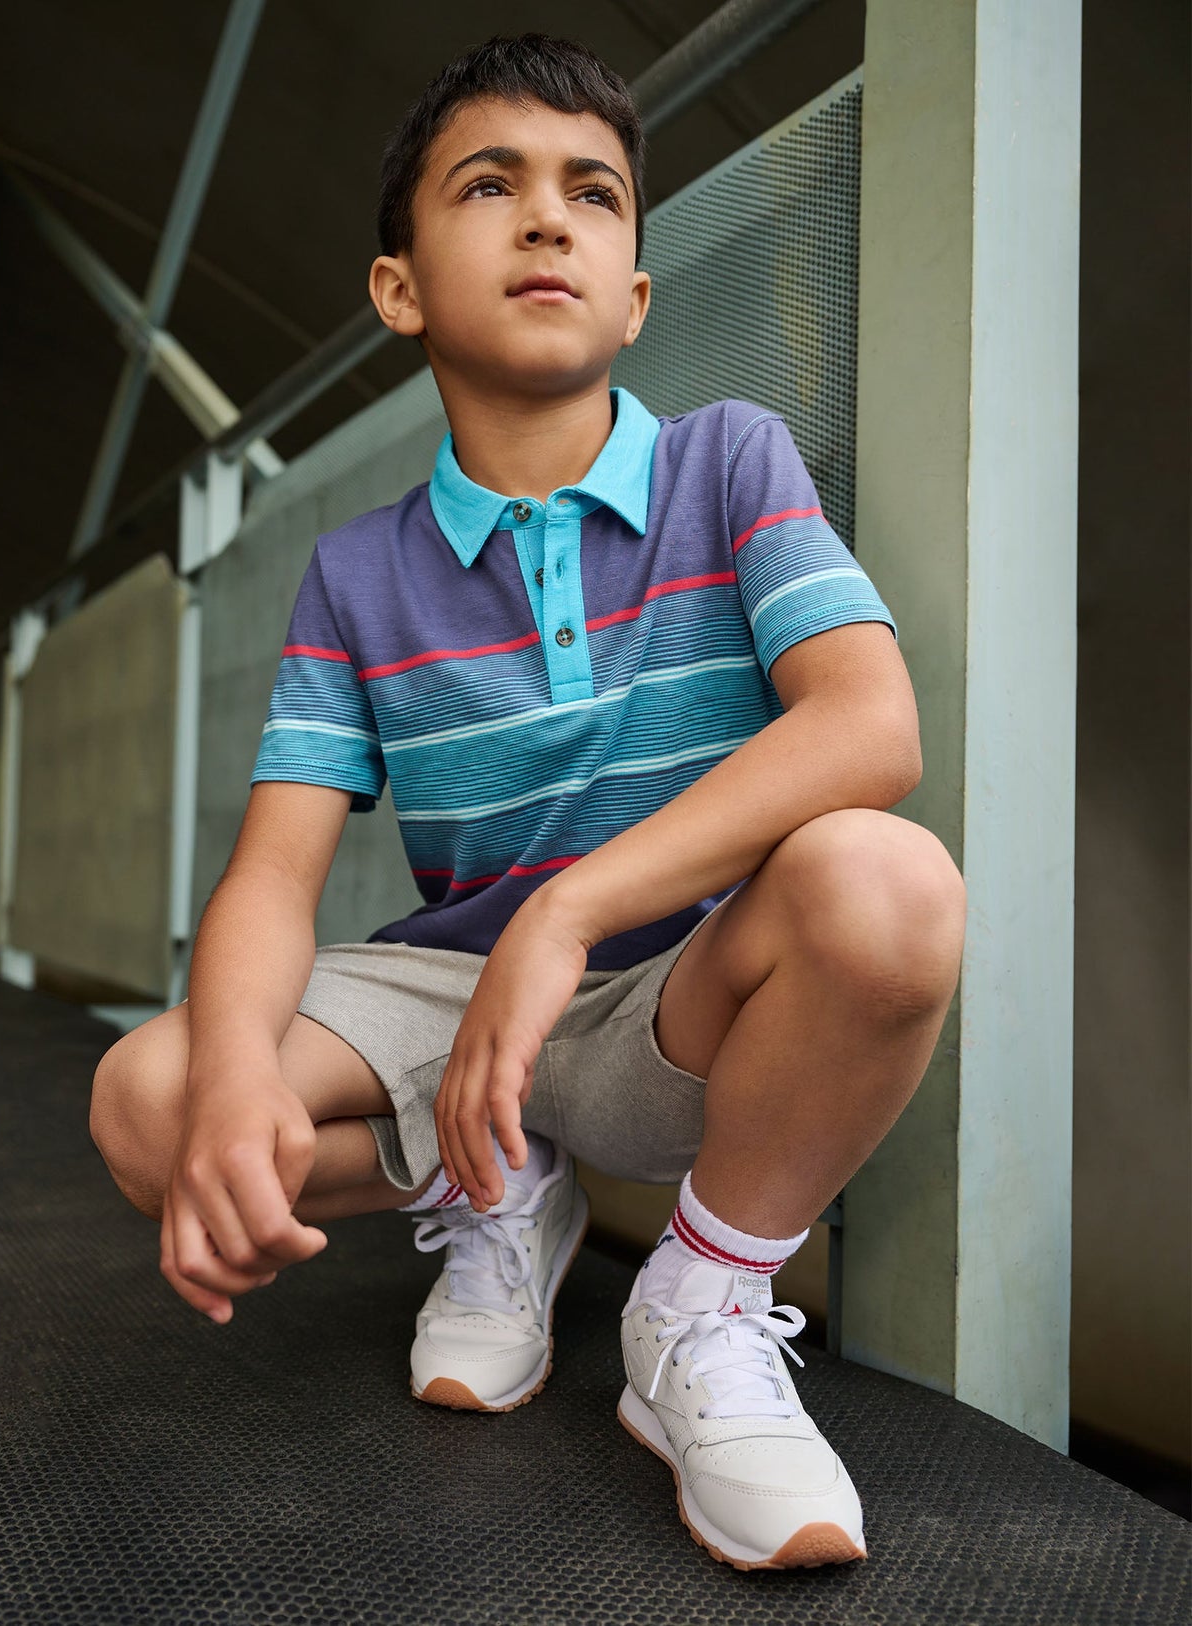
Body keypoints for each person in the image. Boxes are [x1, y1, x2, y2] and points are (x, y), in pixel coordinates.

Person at [89, 32, 966, 1573]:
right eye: (489, 186)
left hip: (665, 1000)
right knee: (151, 1101)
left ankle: (693, 1303)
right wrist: (233, 1080)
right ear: (399, 290)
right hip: (451, 988)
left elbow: (868, 722)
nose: (547, 217)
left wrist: (569, 910)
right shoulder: (354, 571)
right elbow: (271, 879)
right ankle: (498, 1176)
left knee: (887, 886)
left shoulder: (726, 459)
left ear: (633, 290)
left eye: (593, 193)